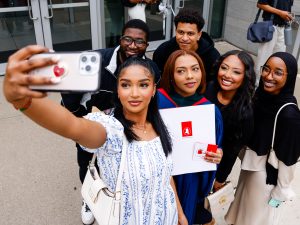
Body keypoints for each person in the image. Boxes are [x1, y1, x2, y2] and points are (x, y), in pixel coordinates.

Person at [3, 47, 182, 225]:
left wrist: (180, 215)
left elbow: (165, 177)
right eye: (126, 84)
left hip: (169, 217)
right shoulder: (112, 130)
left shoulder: (161, 125)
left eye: (143, 84)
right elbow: (73, 126)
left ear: (153, 89)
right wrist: (23, 100)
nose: (134, 93)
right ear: (117, 90)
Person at [61, 19, 160, 225]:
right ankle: (89, 197)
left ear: (147, 45)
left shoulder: (151, 69)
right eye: (128, 39)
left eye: (140, 42)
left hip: (125, 123)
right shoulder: (94, 60)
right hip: (93, 119)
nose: (133, 46)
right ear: (120, 39)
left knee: (119, 164)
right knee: (88, 160)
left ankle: (117, 197)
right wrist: (79, 118)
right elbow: (68, 89)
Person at [225, 52, 300, 225]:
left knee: (255, 219)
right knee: (243, 214)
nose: (268, 76)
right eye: (266, 69)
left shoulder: (289, 114)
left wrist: (281, 190)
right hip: (250, 167)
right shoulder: (261, 97)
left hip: (265, 176)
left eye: (278, 72)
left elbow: (289, 159)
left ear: (289, 77)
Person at [157, 50, 223, 225]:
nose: (190, 76)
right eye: (180, 71)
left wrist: (217, 154)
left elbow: (214, 146)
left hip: (191, 178)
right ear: (170, 75)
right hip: (160, 175)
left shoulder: (209, 110)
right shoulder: (156, 101)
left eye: (195, 69)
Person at [204, 50, 256, 191]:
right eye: (224, 68)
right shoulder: (208, 89)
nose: (227, 75)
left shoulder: (245, 114)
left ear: (246, 76)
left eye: (236, 72)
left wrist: (220, 179)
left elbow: (232, 152)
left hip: (215, 164)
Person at [153, 8, 220, 82]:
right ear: (176, 31)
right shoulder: (162, 52)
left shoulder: (213, 57)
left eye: (190, 33)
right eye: (181, 32)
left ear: (199, 35)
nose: (184, 38)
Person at [255, 0, 294, 85]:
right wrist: (280, 13)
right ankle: (257, 84)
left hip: (283, 28)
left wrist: (288, 16)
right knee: (263, 57)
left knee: (279, 59)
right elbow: (260, 4)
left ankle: (271, 83)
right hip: (270, 27)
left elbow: (286, 9)